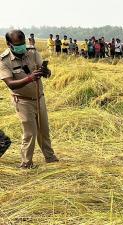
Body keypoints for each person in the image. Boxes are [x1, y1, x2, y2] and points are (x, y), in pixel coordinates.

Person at [0, 30, 59, 168]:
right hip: (22, 101)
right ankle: (26, 163)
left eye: (23, 43)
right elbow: (10, 84)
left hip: (39, 98)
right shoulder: (4, 60)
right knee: (30, 132)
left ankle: (49, 157)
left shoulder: (32, 52)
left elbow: (47, 71)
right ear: (9, 44)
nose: (21, 47)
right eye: (17, 44)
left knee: (44, 129)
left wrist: (46, 72)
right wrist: (30, 78)